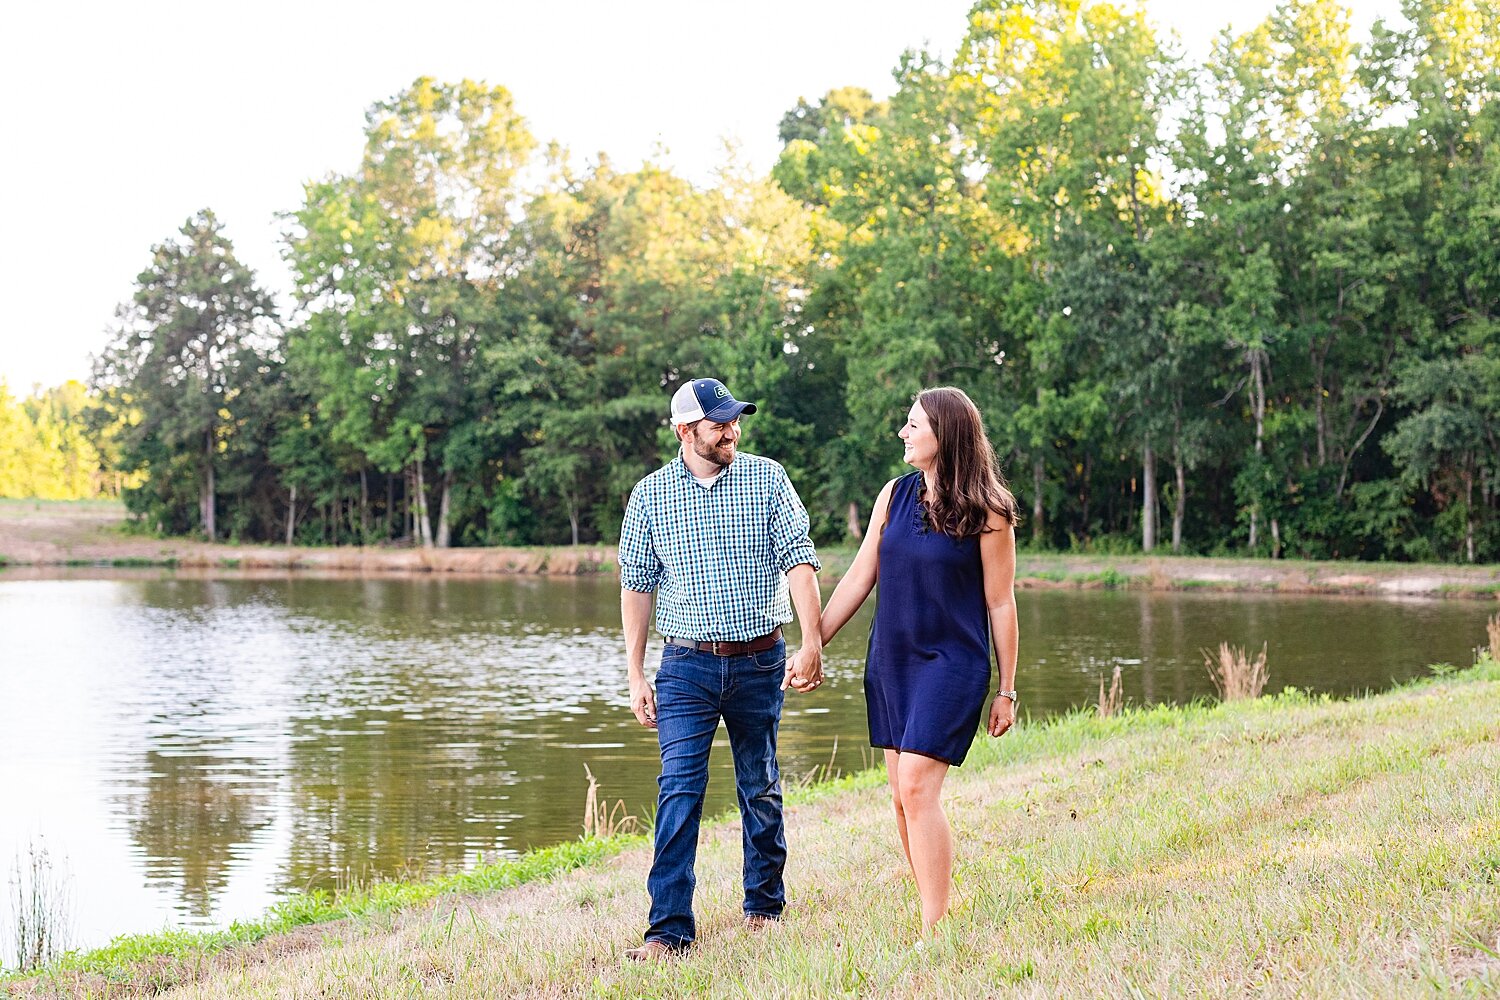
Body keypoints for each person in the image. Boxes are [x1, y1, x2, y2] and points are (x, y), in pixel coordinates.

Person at [618, 376, 825, 961]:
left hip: (761, 659)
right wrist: (635, 674)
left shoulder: (767, 478)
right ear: (687, 431)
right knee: (679, 789)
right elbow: (636, 588)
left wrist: (813, 642)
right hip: (685, 665)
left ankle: (763, 906)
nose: (732, 430)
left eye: (735, 420)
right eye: (719, 423)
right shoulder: (649, 496)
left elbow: (799, 560)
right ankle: (668, 929)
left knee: (758, 783)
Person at [819, 386, 1020, 934]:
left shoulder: (990, 512)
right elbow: (861, 574)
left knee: (916, 785)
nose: (903, 433)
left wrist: (1006, 690)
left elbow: (1000, 602)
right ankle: (933, 904)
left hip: (952, 663)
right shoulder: (894, 495)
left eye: (913, 425)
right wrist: (814, 641)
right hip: (893, 662)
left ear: (944, 434)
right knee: (902, 798)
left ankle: (935, 929)